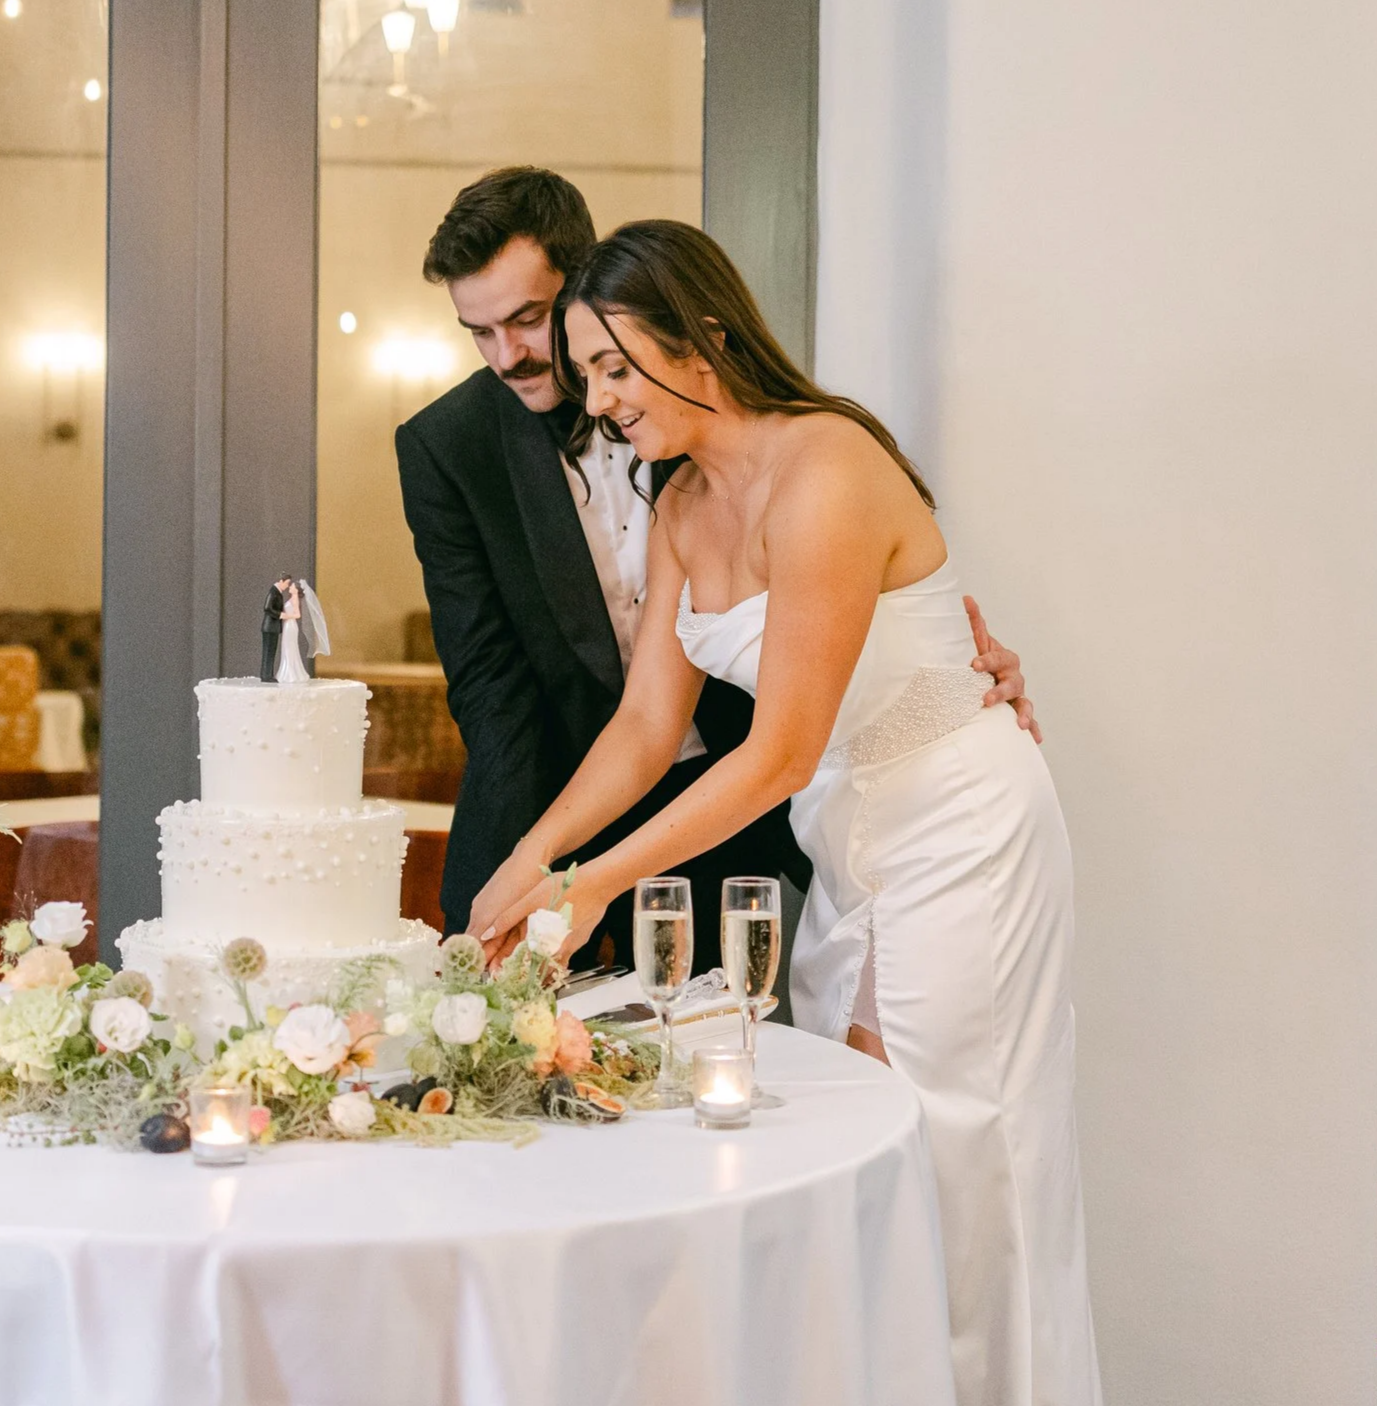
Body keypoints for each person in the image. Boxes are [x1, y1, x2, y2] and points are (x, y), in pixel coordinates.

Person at [471, 219, 1100, 1406]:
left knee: (963, 1149)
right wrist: (534, 852)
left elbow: (778, 751)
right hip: (846, 842)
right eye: (588, 374)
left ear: (700, 338)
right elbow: (644, 730)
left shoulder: (829, 466)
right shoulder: (675, 506)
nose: (599, 403)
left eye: (613, 367)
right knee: (864, 1131)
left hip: (959, 825)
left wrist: (595, 883)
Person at [395, 166, 1036, 973]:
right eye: (479, 332)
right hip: (619, 792)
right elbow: (577, 707)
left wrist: (951, 678)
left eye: (529, 321)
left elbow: (829, 680)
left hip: (825, 802)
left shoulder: (782, 451)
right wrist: (535, 859)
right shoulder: (652, 485)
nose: (511, 356)